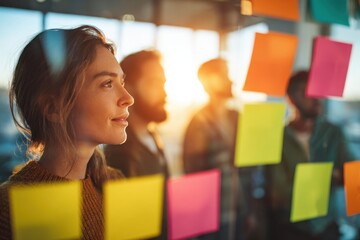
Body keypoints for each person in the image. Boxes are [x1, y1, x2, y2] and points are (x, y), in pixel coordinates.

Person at [0, 25, 134, 239]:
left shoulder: (115, 183)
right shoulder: (8, 209)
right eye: (107, 83)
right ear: (54, 108)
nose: (128, 97)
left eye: (122, 82)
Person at [182, 58, 267, 240]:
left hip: (239, 215)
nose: (231, 81)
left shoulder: (236, 118)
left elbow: (248, 169)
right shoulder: (198, 125)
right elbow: (193, 178)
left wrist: (250, 210)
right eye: (225, 75)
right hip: (212, 220)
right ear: (211, 82)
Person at [266, 70, 355, 240]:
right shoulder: (277, 138)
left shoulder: (334, 133)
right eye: (306, 92)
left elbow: (353, 176)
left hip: (326, 225)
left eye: (317, 91)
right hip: (289, 227)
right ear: (291, 97)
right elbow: (279, 193)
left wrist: (303, 181)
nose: (315, 97)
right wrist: (329, 176)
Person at [104, 50, 169, 239]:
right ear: (128, 88)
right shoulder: (119, 153)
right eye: (155, 83)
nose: (164, 93)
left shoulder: (152, 136)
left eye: (164, 83)